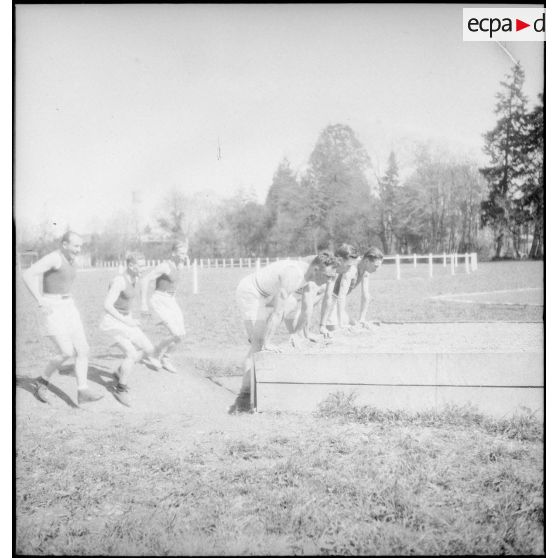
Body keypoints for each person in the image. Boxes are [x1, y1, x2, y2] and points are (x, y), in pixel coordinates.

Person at [231, 252, 339, 412]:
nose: (329, 280)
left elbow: (307, 308)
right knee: (257, 344)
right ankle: (244, 396)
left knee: (292, 303)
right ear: (316, 269)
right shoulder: (293, 275)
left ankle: (262, 339)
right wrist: (267, 342)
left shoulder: (310, 279)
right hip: (250, 292)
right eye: (328, 276)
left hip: (266, 294)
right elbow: (278, 312)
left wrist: (306, 334)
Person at [22, 231, 104, 405]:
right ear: (64, 244)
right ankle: (41, 381)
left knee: (83, 349)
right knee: (66, 352)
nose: (79, 249)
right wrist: (40, 299)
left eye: (80, 246)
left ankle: (82, 390)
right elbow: (28, 274)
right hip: (53, 307)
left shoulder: (72, 260)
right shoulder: (54, 257)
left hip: (69, 306)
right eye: (76, 246)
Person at [99, 254, 161, 406]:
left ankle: (120, 371)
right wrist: (126, 320)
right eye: (141, 265)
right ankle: (120, 389)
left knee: (149, 349)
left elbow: (137, 291)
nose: (144, 268)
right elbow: (107, 305)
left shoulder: (136, 278)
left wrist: (143, 306)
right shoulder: (120, 280)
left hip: (126, 320)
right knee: (132, 353)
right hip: (113, 323)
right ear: (131, 266)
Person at [140, 242, 188, 373]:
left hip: (171, 301)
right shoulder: (164, 266)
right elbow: (145, 280)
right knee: (175, 333)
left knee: (181, 334)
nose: (184, 256)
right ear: (174, 253)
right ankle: (154, 354)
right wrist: (143, 302)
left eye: (185, 253)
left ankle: (166, 358)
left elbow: (174, 285)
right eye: (182, 253)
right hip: (159, 300)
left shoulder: (180, 265)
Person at [325, 246, 384, 331]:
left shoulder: (365, 271)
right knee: (335, 329)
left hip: (337, 299)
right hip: (330, 297)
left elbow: (365, 295)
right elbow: (341, 296)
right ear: (367, 261)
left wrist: (362, 319)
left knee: (355, 324)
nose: (377, 269)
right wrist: (340, 323)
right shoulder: (352, 268)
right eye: (376, 266)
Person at [319, 243, 360, 336]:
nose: (350, 267)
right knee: (334, 327)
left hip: (332, 296)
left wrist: (341, 323)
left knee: (344, 324)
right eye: (349, 265)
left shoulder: (351, 269)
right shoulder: (330, 268)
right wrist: (322, 325)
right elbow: (327, 296)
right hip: (320, 293)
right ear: (340, 260)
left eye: (353, 264)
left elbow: (341, 296)